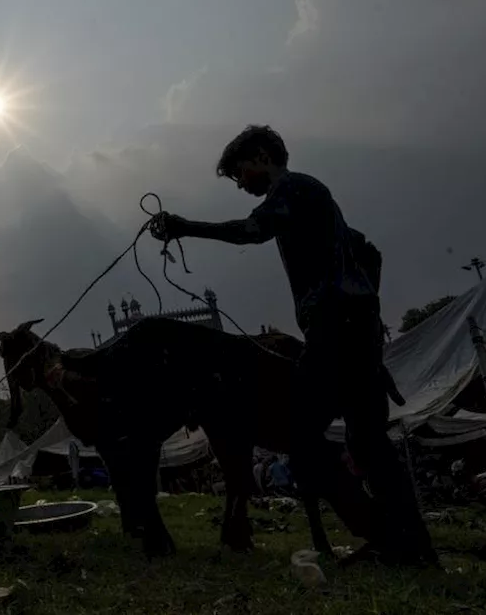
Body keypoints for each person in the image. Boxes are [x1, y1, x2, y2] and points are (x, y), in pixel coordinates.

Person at [149, 124, 436, 567]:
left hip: (333, 327)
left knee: (299, 435)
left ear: (262, 156)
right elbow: (369, 251)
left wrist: (185, 227)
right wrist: (365, 308)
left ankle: (382, 534)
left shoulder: (295, 189)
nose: (241, 183)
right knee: (367, 441)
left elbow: (251, 230)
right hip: (354, 326)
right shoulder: (321, 202)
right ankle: (411, 548)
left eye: (240, 172)